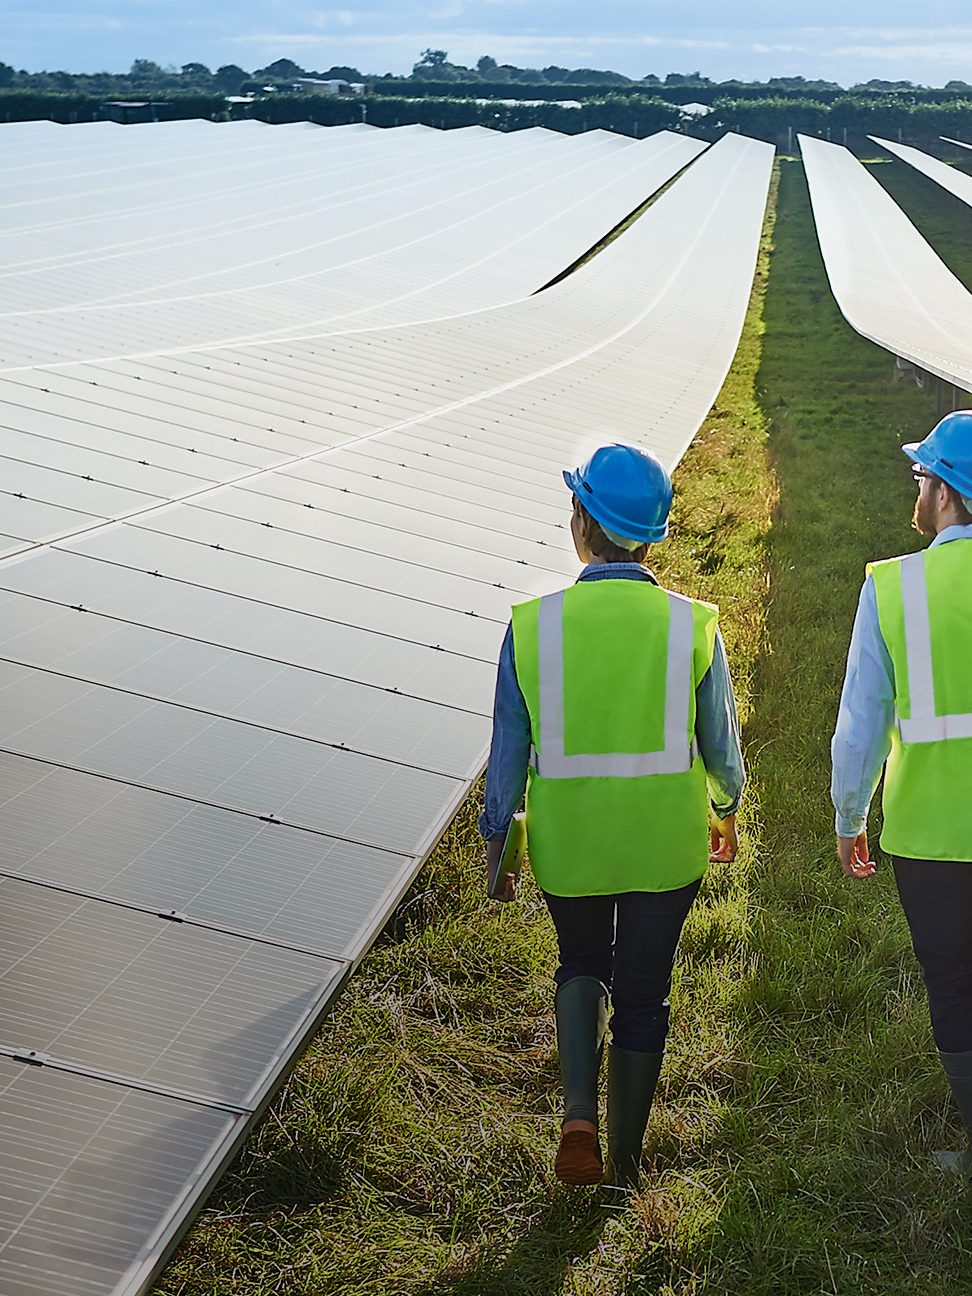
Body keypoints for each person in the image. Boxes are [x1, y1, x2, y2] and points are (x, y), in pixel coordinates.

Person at [480, 442, 746, 1189]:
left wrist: (497, 847)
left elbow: (507, 752)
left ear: (581, 522)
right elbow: (720, 742)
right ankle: (625, 1169)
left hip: (573, 847)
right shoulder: (691, 624)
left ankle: (578, 1119)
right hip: (665, 844)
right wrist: (725, 807)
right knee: (644, 992)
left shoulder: (534, 626)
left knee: (580, 963)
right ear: (650, 535)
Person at [831, 410, 972, 1172]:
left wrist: (850, 814)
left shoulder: (894, 588)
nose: (915, 490)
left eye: (922, 478)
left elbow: (860, 724)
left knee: (953, 980)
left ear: (946, 495)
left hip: (932, 832)